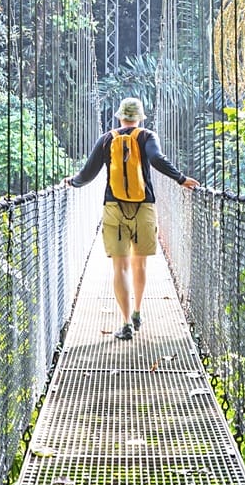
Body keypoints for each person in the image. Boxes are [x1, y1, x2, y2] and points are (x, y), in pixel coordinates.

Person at [66, 97, 198, 340]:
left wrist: (72, 182)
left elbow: (88, 173)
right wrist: (181, 178)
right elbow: (157, 160)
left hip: (114, 206)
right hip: (143, 206)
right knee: (140, 263)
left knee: (120, 266)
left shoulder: (107, 139)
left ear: (119, 117)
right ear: (140, 118)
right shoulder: (147, 136)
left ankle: (126, 323)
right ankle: (137, 312)